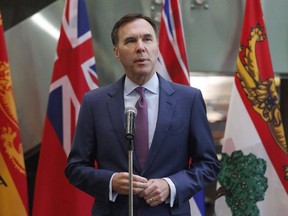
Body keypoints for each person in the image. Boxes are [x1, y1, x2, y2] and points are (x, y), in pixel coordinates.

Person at [65, 13, 220, 216]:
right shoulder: (95, 103)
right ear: (117, 53)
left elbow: (208, 164)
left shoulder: (188, 99)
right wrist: (111, 182)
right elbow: (75, 167)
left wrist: (171, 185)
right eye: (130, 41)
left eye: (147, 39)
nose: (140, 47)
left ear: (157, 46)